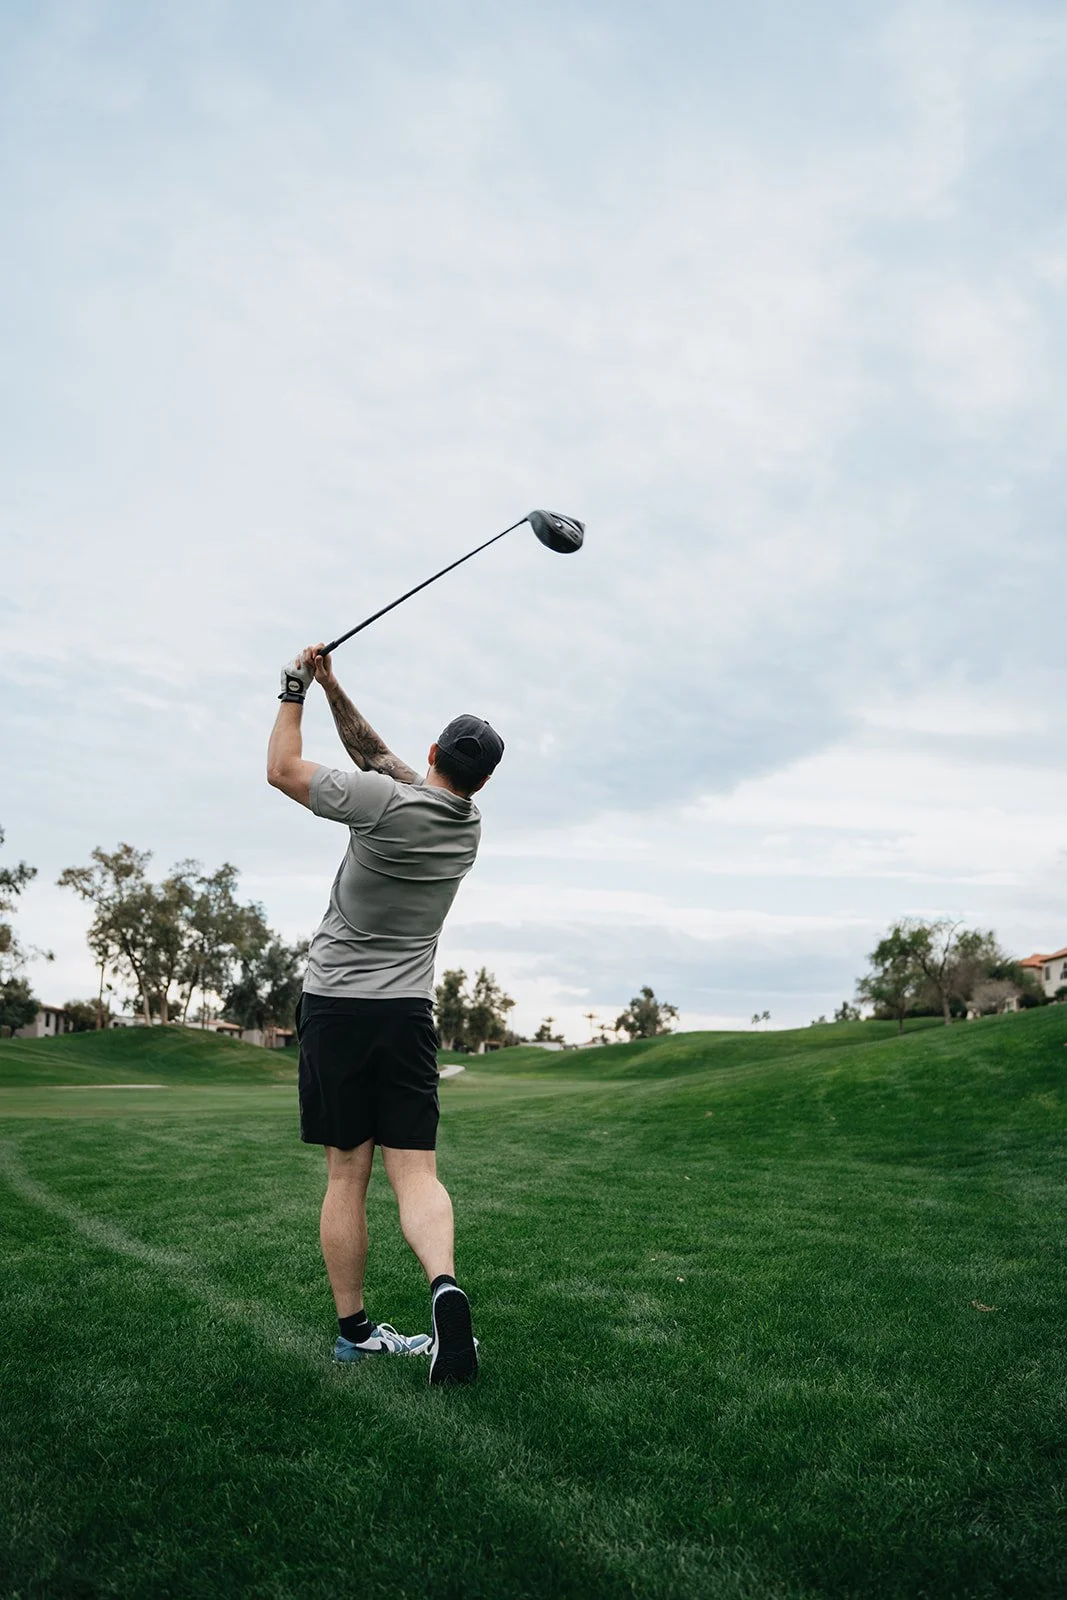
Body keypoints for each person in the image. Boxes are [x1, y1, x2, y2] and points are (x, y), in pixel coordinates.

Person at [266, 643, 503, 1385]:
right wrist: (336, 686)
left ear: (432, 752)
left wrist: (294, 687)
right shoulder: (466, 830)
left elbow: (281, 769)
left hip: (336, 1010)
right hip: (406, 1017)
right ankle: (443, 1286)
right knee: (417, 1174)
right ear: (483, 777)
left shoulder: (379, 802)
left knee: (347, 1177)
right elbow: (377, 755)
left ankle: (354, 1333)